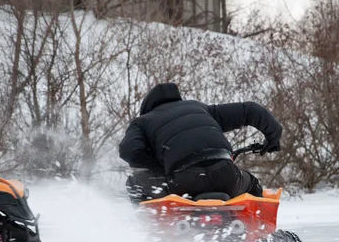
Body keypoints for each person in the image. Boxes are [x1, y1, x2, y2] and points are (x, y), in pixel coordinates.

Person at [119, 83, 282, 204]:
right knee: (251, 184)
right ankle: (260, 234)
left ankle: (152, 232)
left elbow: (130, 151)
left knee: (135, 182)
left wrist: (161, 166)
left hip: (183, 183)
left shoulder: (143, 121)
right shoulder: (202, 110)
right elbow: (251, 110)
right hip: (226, 176)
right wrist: (272, 139)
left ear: (147, 108)